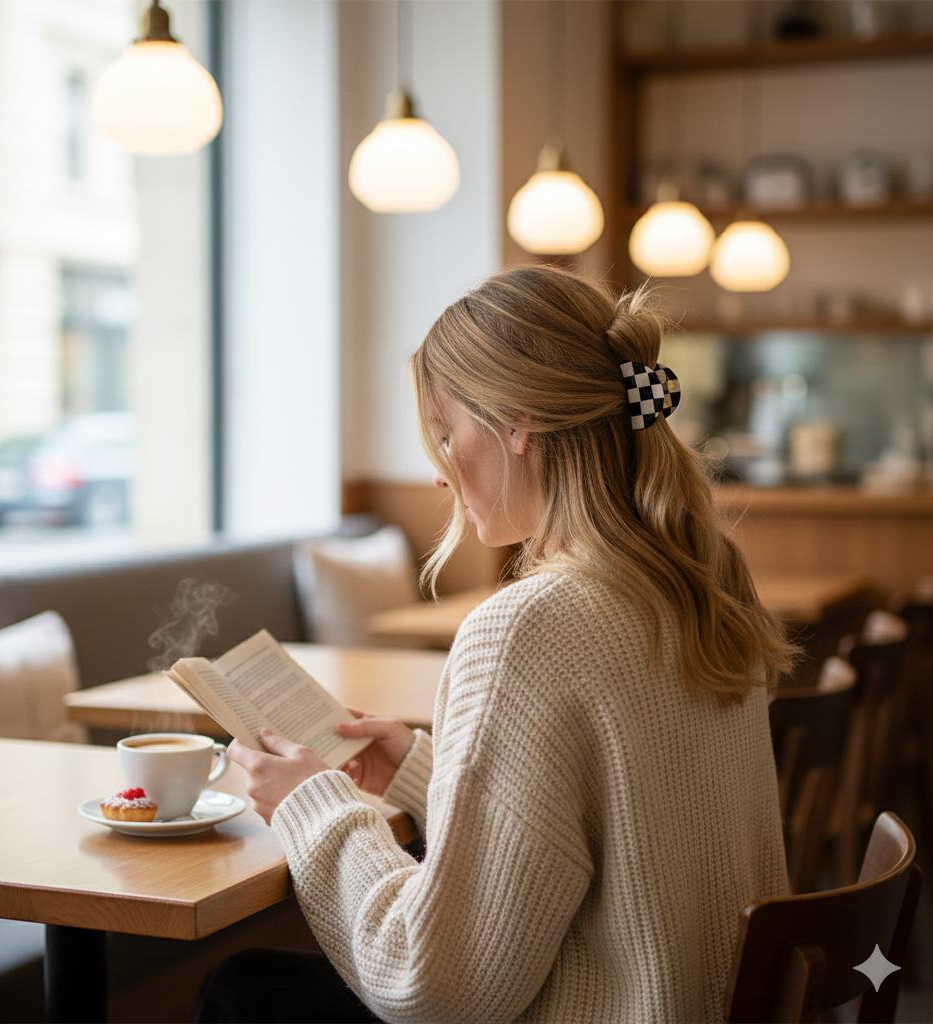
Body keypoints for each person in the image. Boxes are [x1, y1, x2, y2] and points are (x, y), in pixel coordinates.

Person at [194, 266, 799, 1023]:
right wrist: (424, 771)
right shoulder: (705, 583)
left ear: (518, 423)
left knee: (243, 992)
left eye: (448, 433)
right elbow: (615, 824)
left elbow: (436, 988)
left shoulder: (529, 626)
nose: (440, 474)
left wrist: (313, 806)